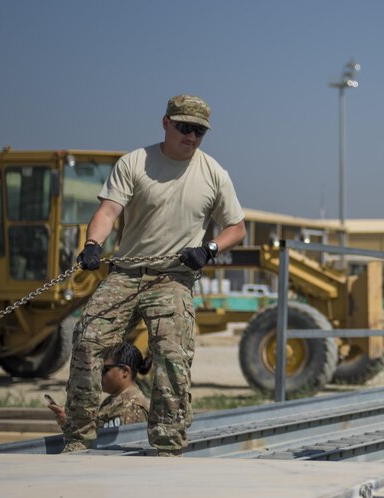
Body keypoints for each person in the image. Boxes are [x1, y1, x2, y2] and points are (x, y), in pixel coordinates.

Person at [62, 94, 246, 455]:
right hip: (127, 272)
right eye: (184, 128)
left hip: (173, 278)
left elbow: (237, 228)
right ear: (165, 123)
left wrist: (208, 249)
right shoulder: (135, 162)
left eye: (199, 132)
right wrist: (92, 244)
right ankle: (78, 440)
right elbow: (108, 211)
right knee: (87, 341)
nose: (191, 137)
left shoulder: (214, 173)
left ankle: (167, 445)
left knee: (172, 356)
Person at [48, 342, 151, 431]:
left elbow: (115, 448)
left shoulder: (133, 408)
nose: (98, 375)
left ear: (125, 371)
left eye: (104, 369)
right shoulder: (111, 402)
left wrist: (70, 423)